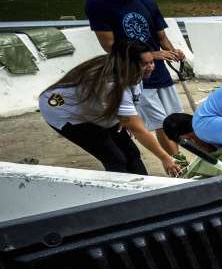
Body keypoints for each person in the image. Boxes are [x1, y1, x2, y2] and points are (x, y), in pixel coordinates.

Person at [85, 0, 185, 158]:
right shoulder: (98, 3)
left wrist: (173, 52)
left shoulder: (146, 1)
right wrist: (152, 55)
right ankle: (178, 164)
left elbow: (161, 36)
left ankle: (179, 160)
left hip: (159, 71)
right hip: (133, 76)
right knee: (159, 123)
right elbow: (110, 46)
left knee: (174, 120)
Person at [39, 41, 181, 176]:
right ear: (128, 64)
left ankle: (145, 191)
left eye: (152, 62)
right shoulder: (112, 85)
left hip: (92, 107)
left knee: (131, 152)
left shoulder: (132, 73)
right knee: (115, 158)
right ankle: (125, 198)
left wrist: (124, 120)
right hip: (63, 112)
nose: (151, 67)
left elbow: (131, 109)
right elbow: (138, 129)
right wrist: (165, 157)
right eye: (145, 64)